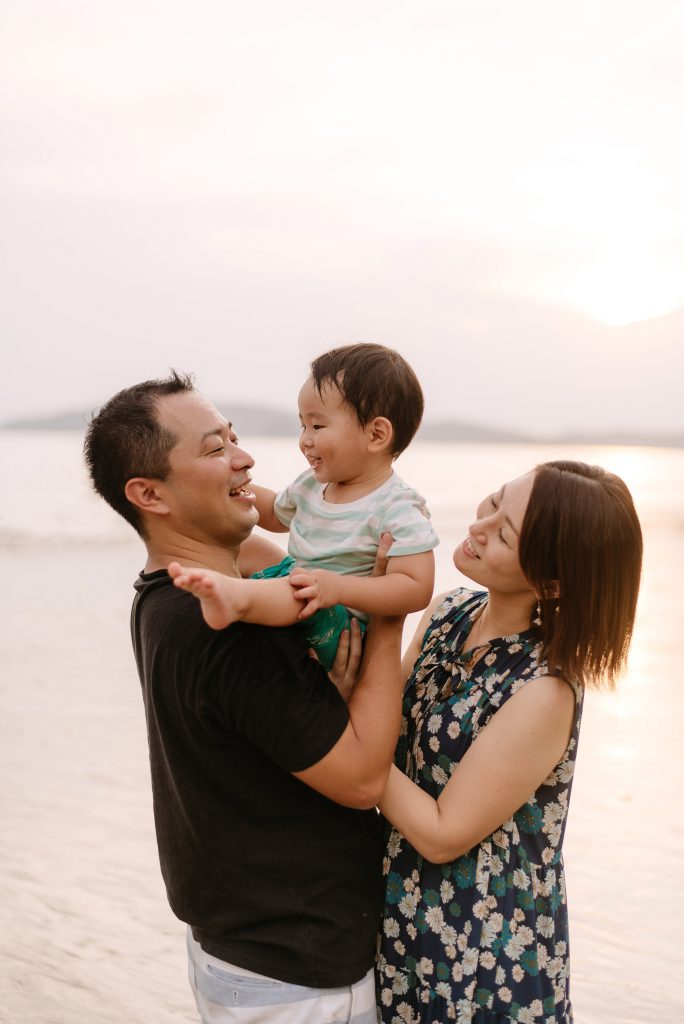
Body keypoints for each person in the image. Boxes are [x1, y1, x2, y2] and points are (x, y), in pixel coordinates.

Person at [82, 370, 407, 1024]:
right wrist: (388, 602)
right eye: (213, 448)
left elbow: (272, 556)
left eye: (234, 437)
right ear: (149, 493)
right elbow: (363, 777)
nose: (245, 457)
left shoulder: (166, 593)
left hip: (241, 957)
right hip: (299, 981)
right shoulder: (226, 631)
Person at [372, 461, 642, 1023]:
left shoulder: (546, 688)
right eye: (493, 502)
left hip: (483, 959)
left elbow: (443, 834)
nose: (479, 525)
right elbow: (384, 725)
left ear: (552, 582)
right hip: (399, 925)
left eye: (504, 531)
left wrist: (344, 753)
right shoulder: (448, 613)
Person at [168, 343, 438, 670]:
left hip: (343, 623)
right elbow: (271, 514)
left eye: (318, 426)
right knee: (252, 550)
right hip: (304, 585)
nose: (305, 440)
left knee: (297, 589)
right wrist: (219, 482)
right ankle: (223, 592)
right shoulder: (312, 486)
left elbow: (414, 588)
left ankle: (236, 598)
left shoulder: (397, 507)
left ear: (376, 434)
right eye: (302, 425)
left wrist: (337, 588)